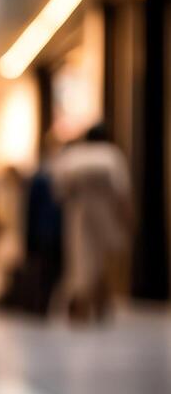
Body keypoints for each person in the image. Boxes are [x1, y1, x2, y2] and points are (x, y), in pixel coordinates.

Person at [52, 123, 132, 321]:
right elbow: (122, 193)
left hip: (78, 215)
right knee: (102, 261)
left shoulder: (73, 157)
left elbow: (59, 191)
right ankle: (94, 304)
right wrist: (128, 219)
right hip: (106, 215)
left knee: (81, 261)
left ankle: (86, 305)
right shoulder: (111, 155)